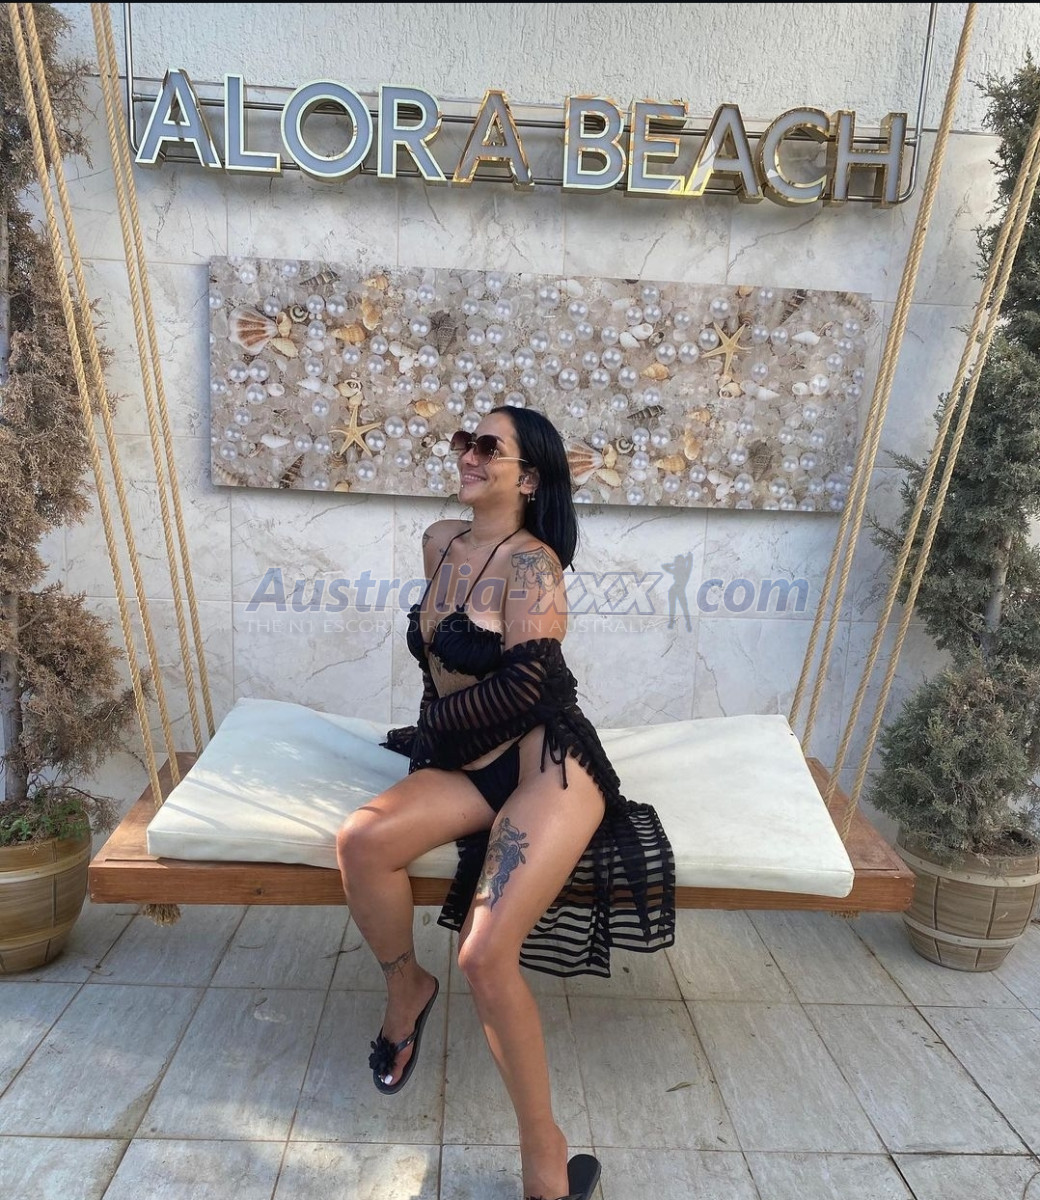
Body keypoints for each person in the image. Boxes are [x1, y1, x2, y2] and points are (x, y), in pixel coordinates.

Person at [336, 406, 675, 1200]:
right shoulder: (439, 542)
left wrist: (433, 731)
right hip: (466, 761)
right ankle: (405, 989)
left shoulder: (535, 566)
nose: (469, 454)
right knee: (361, 842)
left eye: (489, 446)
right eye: (466, 441)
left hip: (546, 762)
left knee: (484, 956)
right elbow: (436, 664)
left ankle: (545, 1159)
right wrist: (431, 742)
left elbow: (527, 685)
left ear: (527, 478)